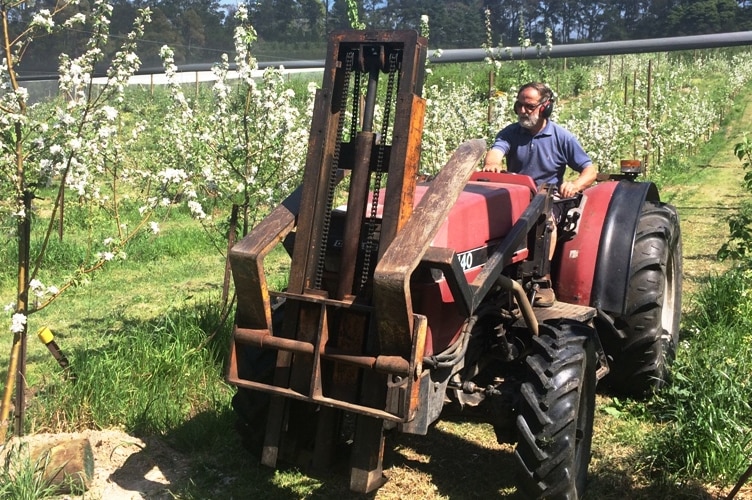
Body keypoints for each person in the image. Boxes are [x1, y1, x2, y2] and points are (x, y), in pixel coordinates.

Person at [483, 82, 597, 306]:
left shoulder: (562, 138)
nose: (522, 111)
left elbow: (590, 170)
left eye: (529, 106)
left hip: (548, 198)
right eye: (519, 105)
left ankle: (541, 279)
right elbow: (496, 152)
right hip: (517, 195)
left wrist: (574, 184)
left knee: (546, 222)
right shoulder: (510, 133)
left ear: (546, 108)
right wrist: (492, 163)